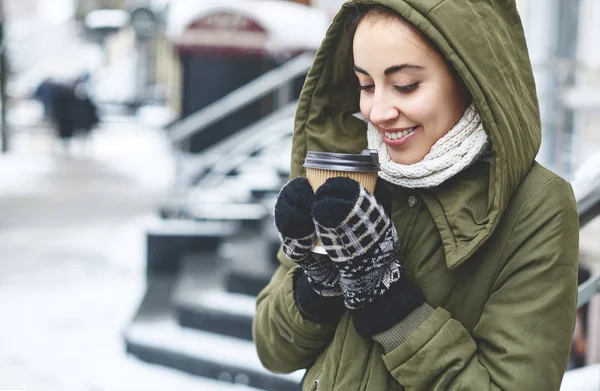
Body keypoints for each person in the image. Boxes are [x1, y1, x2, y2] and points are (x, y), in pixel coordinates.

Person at [252, 1, 580, 390]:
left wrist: (389, 303)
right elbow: (273, 350)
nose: (378, 111)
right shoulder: (351, 173)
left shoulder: (537, 206)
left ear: (471, 79)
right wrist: (319, 282)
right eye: (366, 85)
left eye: (405, 85)